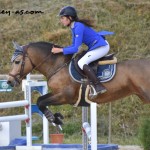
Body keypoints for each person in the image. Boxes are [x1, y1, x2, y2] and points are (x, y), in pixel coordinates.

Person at [52, 6, 110, 95]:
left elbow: (75, 48)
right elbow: (74, 46)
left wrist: (60, 50)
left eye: (63, 18)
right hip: (96, 46)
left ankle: (98, 86)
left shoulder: (78, 26)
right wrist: (63, 50)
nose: (61, 20)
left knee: (82, 62)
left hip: (101, 47)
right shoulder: (74, 26)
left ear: (70, 18)